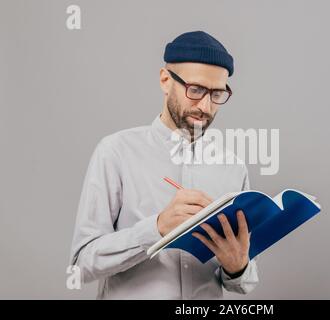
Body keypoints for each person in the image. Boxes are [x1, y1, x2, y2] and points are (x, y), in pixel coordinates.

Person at [69, 31, 259, 299]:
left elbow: (244, 283)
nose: (205, 106)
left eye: (217, 94)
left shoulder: (233, 168)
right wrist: (156, 228)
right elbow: (81, 265)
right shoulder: (115, 152)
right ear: (165, 80)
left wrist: (238, 267)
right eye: (195, 90)